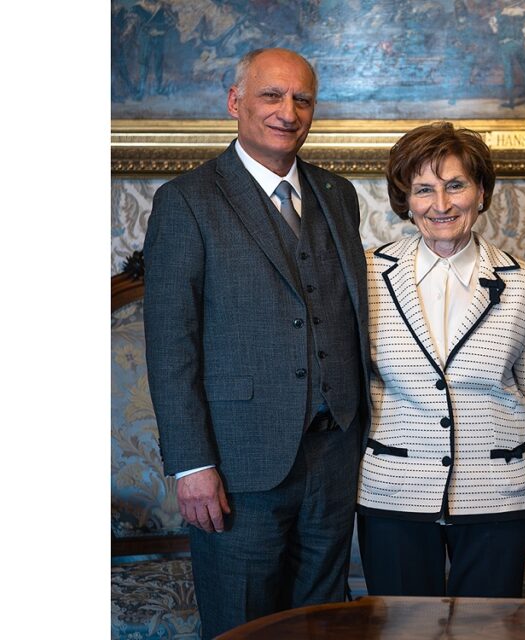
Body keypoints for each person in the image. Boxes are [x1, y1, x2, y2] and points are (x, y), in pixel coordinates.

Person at [144, 48, 368, 637]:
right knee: (243, 624)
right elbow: (172, 347)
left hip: (334, 455)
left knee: (322, 623)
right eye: (271, 96)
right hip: (239, 464)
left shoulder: (338, 195)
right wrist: (192, 465)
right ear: (235, 102)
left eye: (301, 99)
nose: (287, 112)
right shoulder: (186, 201)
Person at [356, 122, 525, 597]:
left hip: (497, 495)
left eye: (456, 185)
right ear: (405, 199)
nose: (442, 204)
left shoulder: (524, 284)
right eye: (424, 189)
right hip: (394, 490)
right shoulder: (366, 274)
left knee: (489, 630)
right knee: (401, 630)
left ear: (482, 192)